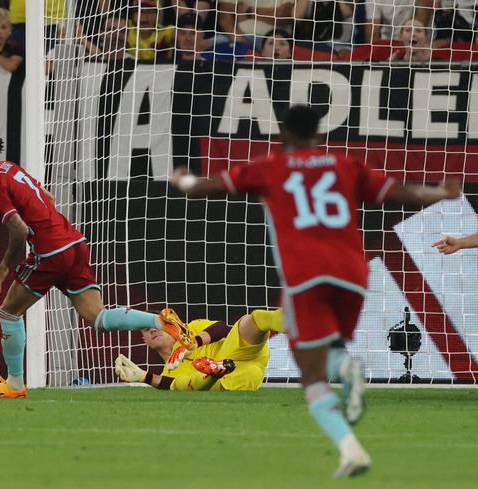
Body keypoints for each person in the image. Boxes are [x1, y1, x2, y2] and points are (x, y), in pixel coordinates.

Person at [171, 104, 460, 478]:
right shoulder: (344, 165)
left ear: (282, 134)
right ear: (318, 136)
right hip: (353, 272)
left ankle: (350, 443)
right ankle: (348, 398)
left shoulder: (270, 167)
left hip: (306, 276)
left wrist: (181, 178)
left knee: (312, 376)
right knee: (332, 350)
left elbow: (202, 188)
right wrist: (441, 191)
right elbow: (399, 194)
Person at [0, 126, 197, 399]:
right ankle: (161, 321)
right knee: (98, 317)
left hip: (50, 252)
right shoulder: (9, 168)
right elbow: (47, 196)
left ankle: (14, 383)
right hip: (74, 243)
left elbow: (19, 230)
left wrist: (4, 265)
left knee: (8, 312)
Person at [115, 308, 284, 391]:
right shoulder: (169, 372)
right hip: (242, 375)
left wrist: (193, 343)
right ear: (144, 340)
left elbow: (223, 329)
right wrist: (143, 376)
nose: (152, 330)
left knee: (251, 320)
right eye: (145, 329)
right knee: (184, 386)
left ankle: (292, 320)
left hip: (238, 350)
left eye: (158, 325)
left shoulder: (191, 329)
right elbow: (168, 384)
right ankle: (213, 372)